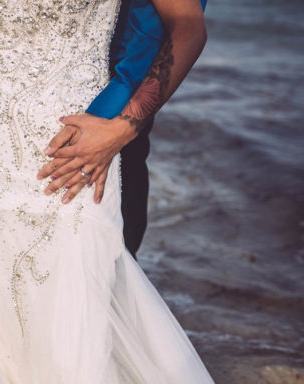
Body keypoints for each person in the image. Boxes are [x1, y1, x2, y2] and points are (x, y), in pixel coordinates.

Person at [0, 0, 222, 384]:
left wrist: (123, 128)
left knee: (81, 313)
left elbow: (186, 25)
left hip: (85, 146)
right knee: (13, 312)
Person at [36, 0, 208, 259]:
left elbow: (186, 25)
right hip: (7, 127)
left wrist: (122, 128)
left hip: (108, 117)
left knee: (103, 263)